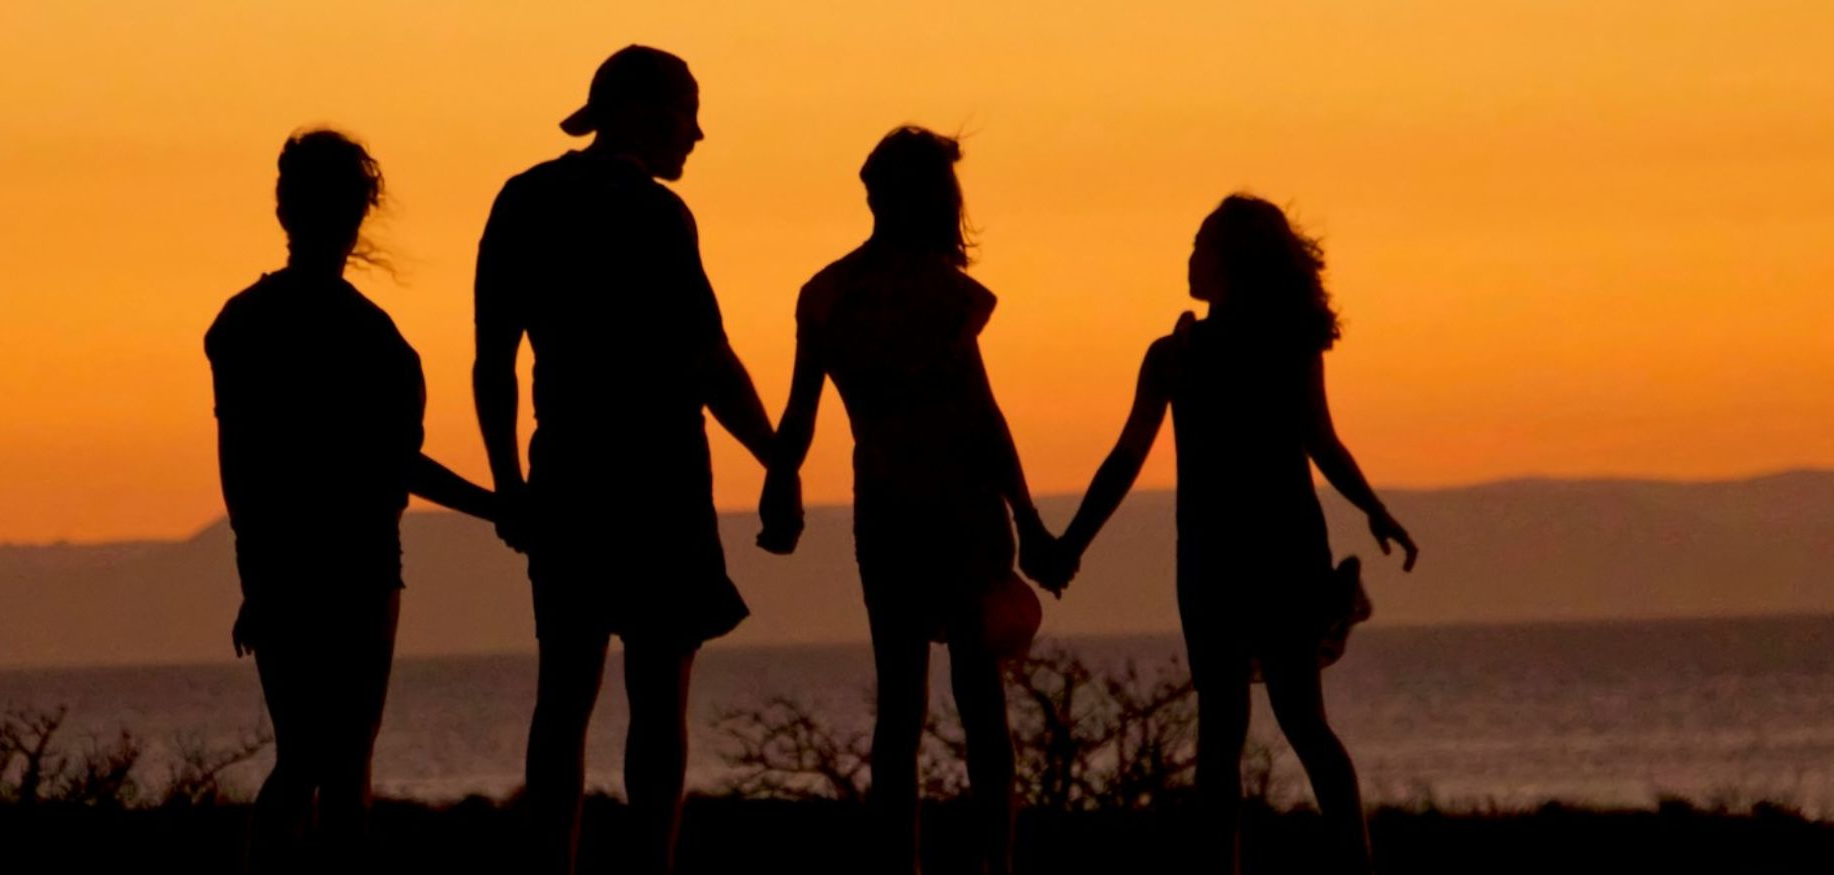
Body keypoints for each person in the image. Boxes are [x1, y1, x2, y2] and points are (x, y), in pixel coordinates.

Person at [1034, 194, 1420, 875]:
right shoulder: (1199, 354)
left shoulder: (1208, 353)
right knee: (1277, 725)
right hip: (1252, 551)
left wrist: (1374, 506)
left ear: (1231, 263)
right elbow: (1127, 461)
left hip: (1241, 554)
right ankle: (1334, 863)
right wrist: (1072, 543)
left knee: (1246, 730)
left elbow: (1317, 442)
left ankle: (1312, 865)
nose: (1190, 256)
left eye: (1201, 245)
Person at [471, 45, 776, 875]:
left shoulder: (522, 200)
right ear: (645, 114)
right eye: (688, 114)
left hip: (563, 476)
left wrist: (509, 484)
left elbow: (493, 362)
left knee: (562, 698)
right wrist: (777, 460)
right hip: (659, 482)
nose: (699, 134)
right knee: (657, 703)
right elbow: (708, 358)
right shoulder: (656, 215)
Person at [206, 129, 503, 873]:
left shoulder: (254, 323)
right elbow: (387, 464)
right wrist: (500, 508)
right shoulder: (358, 335)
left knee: (317, 758)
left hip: (325, 564)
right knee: (330, 760)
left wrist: (258, 579)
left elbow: (245, 470)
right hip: (350, 567)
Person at [759, 127, 1049, 875]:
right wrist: (1029, 515)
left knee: (901, 708)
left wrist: (781, 482)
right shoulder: (942, 293)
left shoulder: (825, 293)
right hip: (961, 511)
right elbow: (982, 415)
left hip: (883, 510)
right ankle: (995, 862)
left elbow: (799, 414)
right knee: (980, 703)